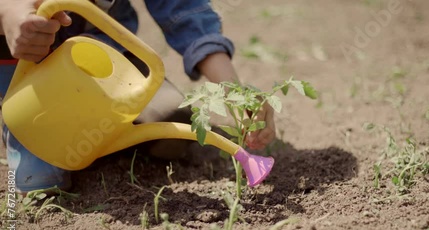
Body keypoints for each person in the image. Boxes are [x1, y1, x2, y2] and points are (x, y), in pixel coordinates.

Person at [0, 0, 276, 194]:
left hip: (109, 60)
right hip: (30, 64)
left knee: (171, 119)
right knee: (41, 180)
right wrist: (7, 11)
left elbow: (185, 11)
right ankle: (30, 127)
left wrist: (235, 91)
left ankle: (99, 134)